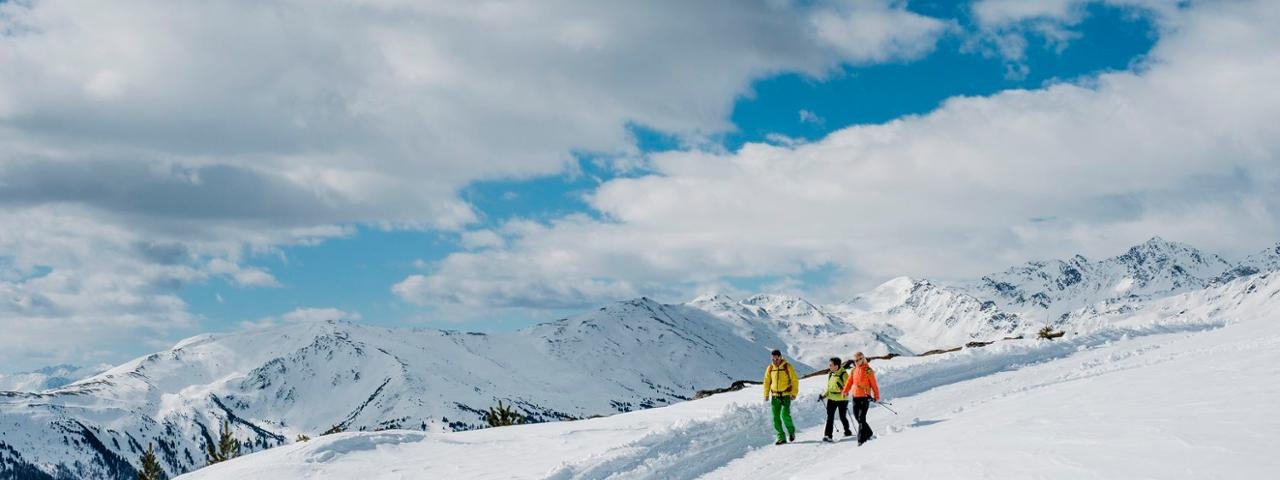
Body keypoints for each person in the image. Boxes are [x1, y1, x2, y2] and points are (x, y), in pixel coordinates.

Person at [840, 351, 880, 446]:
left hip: (865, 397)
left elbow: (874, 385)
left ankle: (861, 440)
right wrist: (845, 391)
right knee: (857, 418)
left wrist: (876, 396)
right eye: (855, 360)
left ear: (863, 359)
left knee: (862, 418)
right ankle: (869, 432)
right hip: (855, 397)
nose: (856, 361)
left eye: (858, 359)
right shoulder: (854, 370)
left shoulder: (868, 371)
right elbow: (849, 382)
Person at [762, 349, 799, 445]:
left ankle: (791, 432)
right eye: (773, 359)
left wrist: (794, 393)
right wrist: (766, 394)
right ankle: (781, 437)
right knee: (775, 417)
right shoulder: (770, 368)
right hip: (775, 397)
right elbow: (766, 382)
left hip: (786, 395)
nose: (774, 360)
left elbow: (794, 380)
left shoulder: (787, 367)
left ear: (780, 357)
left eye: (776, 358)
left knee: (785, 415)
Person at [818, 357, 853, 442]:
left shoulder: (843, 374)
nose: (829, 366)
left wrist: (843, 390)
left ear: (836, 366)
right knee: (830, 418)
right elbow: (829, 388)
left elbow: (849, 386)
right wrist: (824, 396)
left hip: (842, 399)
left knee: (842, 417)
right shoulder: (830, 374)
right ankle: (828, 435)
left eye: (831, 365)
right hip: (831, 399)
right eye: (829, 365)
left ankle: (847, 430)